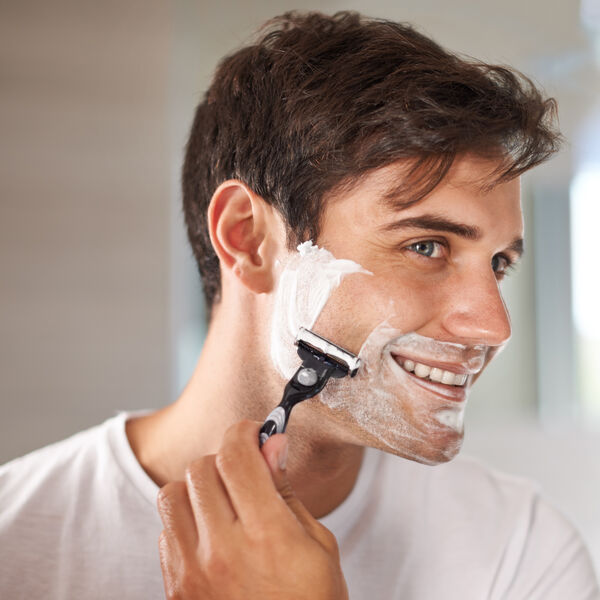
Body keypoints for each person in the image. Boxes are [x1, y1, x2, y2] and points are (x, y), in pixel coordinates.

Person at [1, 10, 598, 599]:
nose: (493, 326)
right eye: (426, 246)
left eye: (499, 263)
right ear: (249, 240)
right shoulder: (15, 540)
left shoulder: (522, 554)